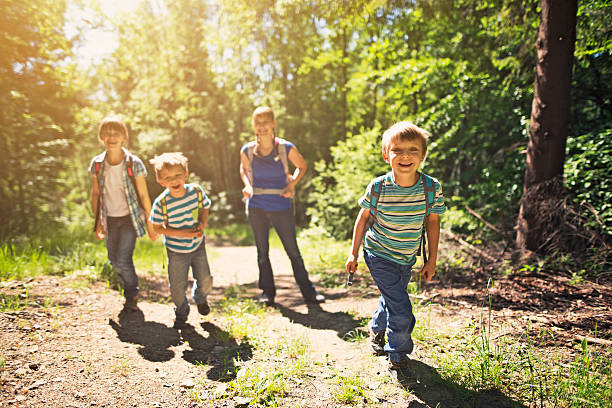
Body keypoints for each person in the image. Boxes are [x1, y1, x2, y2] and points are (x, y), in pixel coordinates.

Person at [345, 121, 446, 373]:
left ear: (423, 155)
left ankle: (377, 329)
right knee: (402, 310)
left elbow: (433, 222)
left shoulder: (431, 188)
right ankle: (397, 355)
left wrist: (431, 260)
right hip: (378, 253)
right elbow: (363, 218)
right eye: (397, 149)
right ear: (385, 154)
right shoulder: (378, 187)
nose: (405, 156)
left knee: (391, 297)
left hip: (407, 257)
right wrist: (353, 252)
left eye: (413, 150)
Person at [239, 106, 324, 306]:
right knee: (262, 252)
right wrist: (248, 186)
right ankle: (267, 294)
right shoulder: (248, 150)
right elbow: (243, 169)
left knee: (292, 251)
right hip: (257, 205)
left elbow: (301, 166)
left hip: (281, 205)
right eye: (258, 123)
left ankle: (309, 294)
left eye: (265, 122)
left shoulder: (285, 148)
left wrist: (291, 184)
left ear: (273, 124)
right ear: (254, 126)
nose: (262, 127)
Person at [89, 116, 156, 312]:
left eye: (116, 133)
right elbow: (95, 194)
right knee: (113, 260)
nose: (111, 137)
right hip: (109, 218)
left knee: (124, 258)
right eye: (107, 134)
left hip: (129, 218)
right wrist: (98, 222)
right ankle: (129, 285)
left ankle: (132, 293)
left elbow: (143, 194)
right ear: (101, 137)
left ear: (124, 137)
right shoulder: (97, 164)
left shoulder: (134, 163)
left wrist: (150, 223)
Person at [149, 152, 214, 329]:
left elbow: (205, 207)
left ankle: (200, 297)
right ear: (161, 181)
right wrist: (183, 234)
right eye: (167, 178)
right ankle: (181, 310)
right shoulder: (162, 203)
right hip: (176, 251)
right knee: (177, 288)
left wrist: (202, 223)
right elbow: (157, 227)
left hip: (197, 245)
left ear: (186, 174)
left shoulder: (196, 192)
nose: (174, 180)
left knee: (206, 279)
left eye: (178, 175)